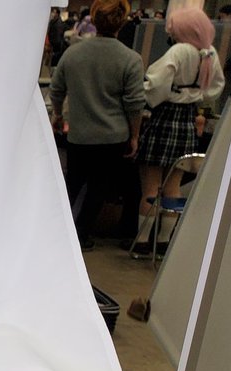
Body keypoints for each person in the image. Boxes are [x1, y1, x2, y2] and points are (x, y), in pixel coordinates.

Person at [50, 0, 144, 249]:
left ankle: (55, 232)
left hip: (79, 133)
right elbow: (135, 104)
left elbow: (56, 90)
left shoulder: (73, 53)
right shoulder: (130, 59)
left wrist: (58, 115)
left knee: (72, 185)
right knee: (98, 189)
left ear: (93, 19)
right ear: (122, 22)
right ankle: (80, 235)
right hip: (113, 136)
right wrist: (134, 135)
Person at [134, 7, 224, 254]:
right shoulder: (210, 53)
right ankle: (163, 241)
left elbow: (155, 85)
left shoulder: (178, 51)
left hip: (164, 118)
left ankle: (141, 242)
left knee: (150, 187)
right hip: (187, 121)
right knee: (173, 186)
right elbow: (215, 88)